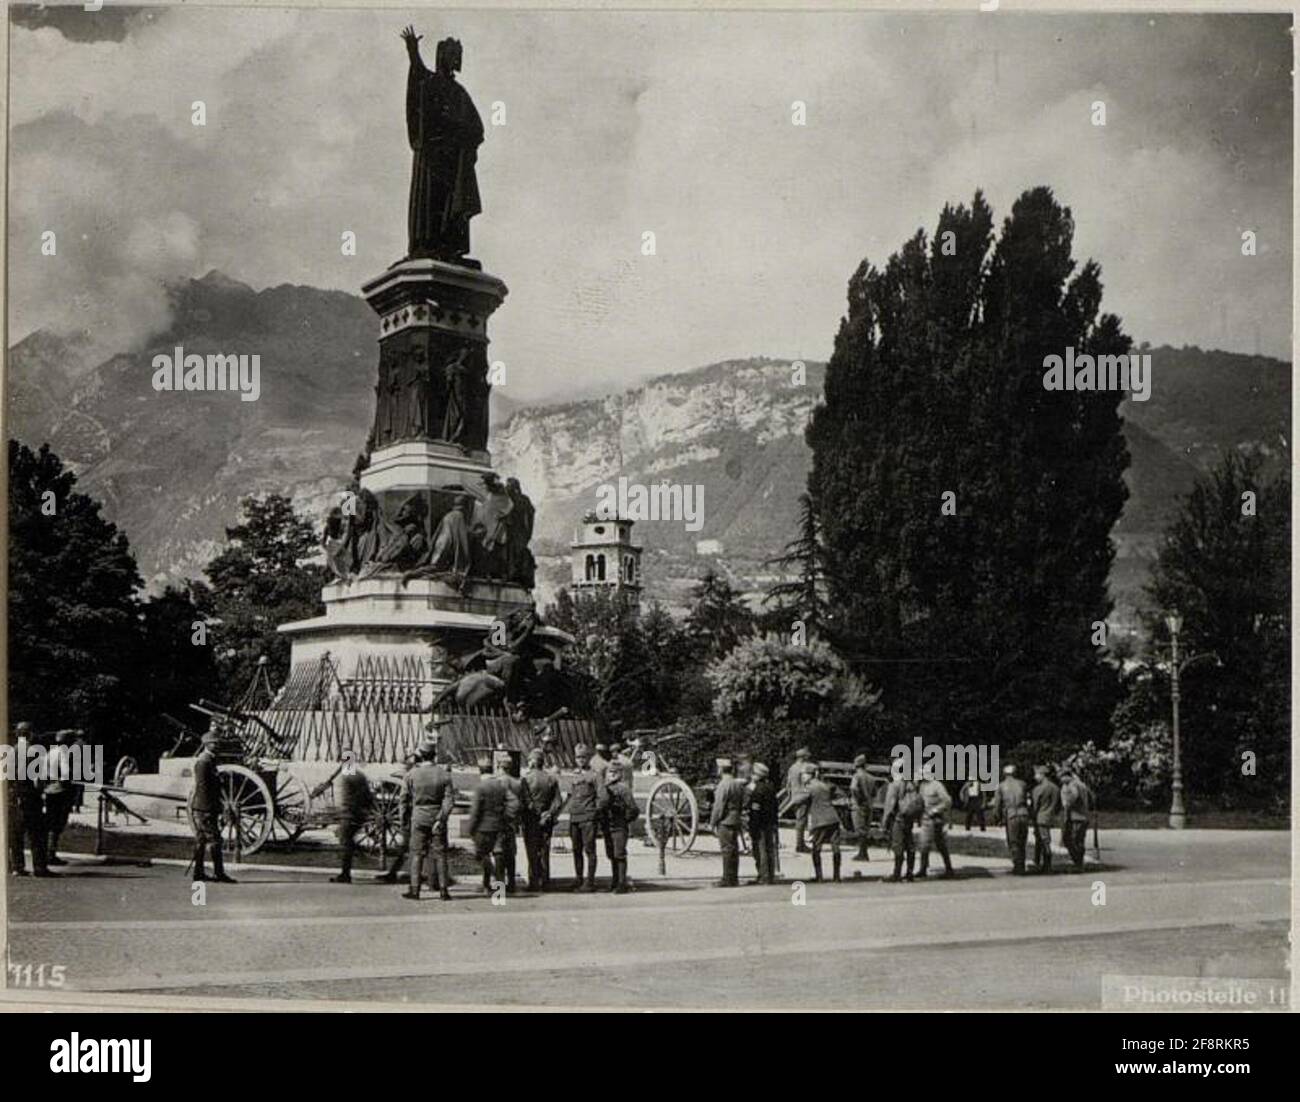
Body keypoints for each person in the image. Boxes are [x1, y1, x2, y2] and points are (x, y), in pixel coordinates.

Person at [400, 738, 456, 901]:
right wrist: (441, 818)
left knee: (417, 854)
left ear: (421, 755)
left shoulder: (411, 774)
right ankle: (444, 890)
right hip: (437, 818)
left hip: (418, 818)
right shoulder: (444, 774)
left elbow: (403, 801)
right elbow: (449, 800)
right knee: (440, 854)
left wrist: (404, 822)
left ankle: (415, 889)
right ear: (434, 756)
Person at [466, 758, 519, 894]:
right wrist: (505, 816)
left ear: (480, 771)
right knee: (499, 855)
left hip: (483, 829)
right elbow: (515, 803)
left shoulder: (480, 787)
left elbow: (475, 811)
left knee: (483, 856)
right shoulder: (500, 786)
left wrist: (470, 829)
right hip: (499, 827)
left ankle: (486, 884)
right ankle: (499, 890)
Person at [191, 729, 235, 883]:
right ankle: (219, 873)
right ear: (206, 744)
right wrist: (213, 807)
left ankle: (198, 874)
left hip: (204, 808)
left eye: (217, 743)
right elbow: (203, 787)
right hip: (205, 808)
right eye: (214, 743)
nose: (217, 745)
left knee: (201, 841)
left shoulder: (210, 760)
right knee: (215, 840)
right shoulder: (204, 762)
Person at [8, 722, 51, 877]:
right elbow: (38, 779)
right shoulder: (33, 751)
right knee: (37, 832)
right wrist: (41, 791)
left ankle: (17, 866)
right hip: (29, 795)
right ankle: (39, 867)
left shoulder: (11, 751)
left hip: (13, 794)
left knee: (16, 833)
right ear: (30, 734)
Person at [788, 764, 842, 882]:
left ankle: (819, 876)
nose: (802, 777)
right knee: (835, 847)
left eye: (803, 775)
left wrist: (786, 806)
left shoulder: (810, 787)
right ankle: (837, 876)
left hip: (820, 820)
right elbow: (837, 794)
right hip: (833, 818)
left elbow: (798, 799)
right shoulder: (824, 785)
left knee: (816, 848)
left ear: (809, 775)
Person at [565, 744, 608, 892]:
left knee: (589, 850)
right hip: (575, 817)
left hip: (588, 818)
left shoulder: (595, 775)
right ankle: (578, 878)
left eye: (583, 757)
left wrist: (594, 812)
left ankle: (589, 882)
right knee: (576, 850)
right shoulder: (575, 774)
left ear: (588, 758)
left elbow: (602, 797)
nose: (580, 760)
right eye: (578, 757)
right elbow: (571, 796)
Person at [331, 747, 375, 884]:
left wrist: (341, 813)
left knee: (345, 842)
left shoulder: (346, 777)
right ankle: (358, 856)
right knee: (348, 841)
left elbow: (346, 799)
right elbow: (368, 797)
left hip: (349, 814)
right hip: (359, 814)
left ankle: (346, 874)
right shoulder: (360, 775)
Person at [376, 753, 420, 883]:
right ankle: (395, 873)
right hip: (417, 816)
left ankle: (412, 878)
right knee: (410, 848)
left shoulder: (409, 777)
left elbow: (404, 801)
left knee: (410, 848)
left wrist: (403, 819)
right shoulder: (415, 775)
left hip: (411, 817)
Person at [522, 748, 563, 890]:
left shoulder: (526, 779)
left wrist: (536, 814)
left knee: (532, 851)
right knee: (544, 850)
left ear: (532, 762)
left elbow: (525, 800)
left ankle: (533, 880)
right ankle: (545, 880)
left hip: (531, 820)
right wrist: (548, 814)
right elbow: (558, 801)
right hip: (547, 820)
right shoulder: (551, 779)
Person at [601, 764, 640, 893]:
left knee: (619, 854)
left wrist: (624, 820)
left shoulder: (624, 789)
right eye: (609, 772)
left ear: (620, 774)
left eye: (614, 772)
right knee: (611, 854)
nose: (612, 775)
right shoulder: (604, 789)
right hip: (607, 825)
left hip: (619, 826)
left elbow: (634, 809)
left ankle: (622, 883)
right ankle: (615, 881)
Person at [709, 760, 746, 887]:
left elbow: (719, 806)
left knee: (726, 851)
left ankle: (727, 879)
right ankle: (733, 877)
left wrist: (712, 822)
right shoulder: (737, 784)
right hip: (736, 818)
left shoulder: (723, 785)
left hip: (725, 820)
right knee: (734, 850)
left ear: (720, 770)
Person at [881, 766, 923, 882]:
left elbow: (890, 805)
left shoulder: (895, 785)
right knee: (909, 844)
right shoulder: (913, 785)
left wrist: (884, 822)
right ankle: (910, 872)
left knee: (897, 844)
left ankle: (897, 873)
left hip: (898, 818)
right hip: (909, 818)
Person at [496, 752, 529, 893]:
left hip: (498, 821)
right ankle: (512, 883)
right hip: (512, 821)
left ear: (499, 766)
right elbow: (522, 803)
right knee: (511, 852)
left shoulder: (496, 782)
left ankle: (499, 885)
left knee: (498, 852)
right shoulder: (517, 783)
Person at [992, 764, 1030, 875]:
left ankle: (1017, 866)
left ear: (1005, 774)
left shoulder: (1001, 786)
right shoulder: (1022, 784)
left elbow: (997, 804)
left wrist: (997, 818)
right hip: (1023, 813)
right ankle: (1022, 864)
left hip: (1011, 814)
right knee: (1022, 841)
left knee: (1013, 841)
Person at [916, 768, 955, 878]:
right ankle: (923, 869)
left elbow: (947, 801)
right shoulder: (922, 786)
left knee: (938, 845)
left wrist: (935, 810)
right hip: (925, 818)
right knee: (925, 844)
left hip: (935, 819)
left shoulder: (937, 785)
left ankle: (948, 869)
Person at [44, 730, 75, 865]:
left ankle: (48, 852)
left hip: (49, 789)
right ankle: (50, 853)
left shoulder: (50, 752)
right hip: (60, 791)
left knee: (51, 822)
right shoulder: (64, 753)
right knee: (57, 824)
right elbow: (66, 774)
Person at [745, 762, 779, 884]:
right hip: (769, 822)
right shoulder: (770, 787)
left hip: (760, 824)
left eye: (753, 773)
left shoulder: (758, 790)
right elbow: (775, 807)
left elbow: (755, 810)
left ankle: (763, 876)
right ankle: (770, 875)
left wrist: (752, 827)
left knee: (760, 851)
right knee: (769, 849)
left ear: (757, 775)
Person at [1030, 765, 1063, 874]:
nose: (1035, 777)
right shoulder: (1056, 788)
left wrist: (1032, 816)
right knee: (1044, 840)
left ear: (1042, 775)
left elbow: (1035, 806)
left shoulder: (1038, 789)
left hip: (1040, 817)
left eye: (1036, 774)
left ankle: (1045, 865)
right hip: (1050, 816)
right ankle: (1042, 863)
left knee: (1043, 841)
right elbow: (1059, 805)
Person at [1059, 767, 1093, 871]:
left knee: (1071, 840)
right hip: (1084, 815)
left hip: (1076, 816)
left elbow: (1074, 796)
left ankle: (1077, 862)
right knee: (1079, 840)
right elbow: (1091, 797)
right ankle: (1079, 862)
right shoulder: (1082, 784)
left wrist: (1066, 803)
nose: (1061, 780)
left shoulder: (1073, 785)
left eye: (1062, 777)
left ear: (1067, 776)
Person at [785, 748, 813, 853]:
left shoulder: (792, 768)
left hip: (794, 796)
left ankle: (800, 843)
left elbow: (788, 784)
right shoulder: (804, 767)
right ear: (803, 757)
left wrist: (791, 795)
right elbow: (808, 782)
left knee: (799, 820)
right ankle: (800, 845)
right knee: (801, 821)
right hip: (803, 796)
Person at [849, 755, 875, 862]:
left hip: (858, 805)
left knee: (859, 829)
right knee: (865, 829)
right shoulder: (871, 778)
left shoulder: (856, 776)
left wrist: (858, 799)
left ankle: (862, 853)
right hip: (869, 805)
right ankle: (864, 852)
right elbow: (874, 792)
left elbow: (853, 788)